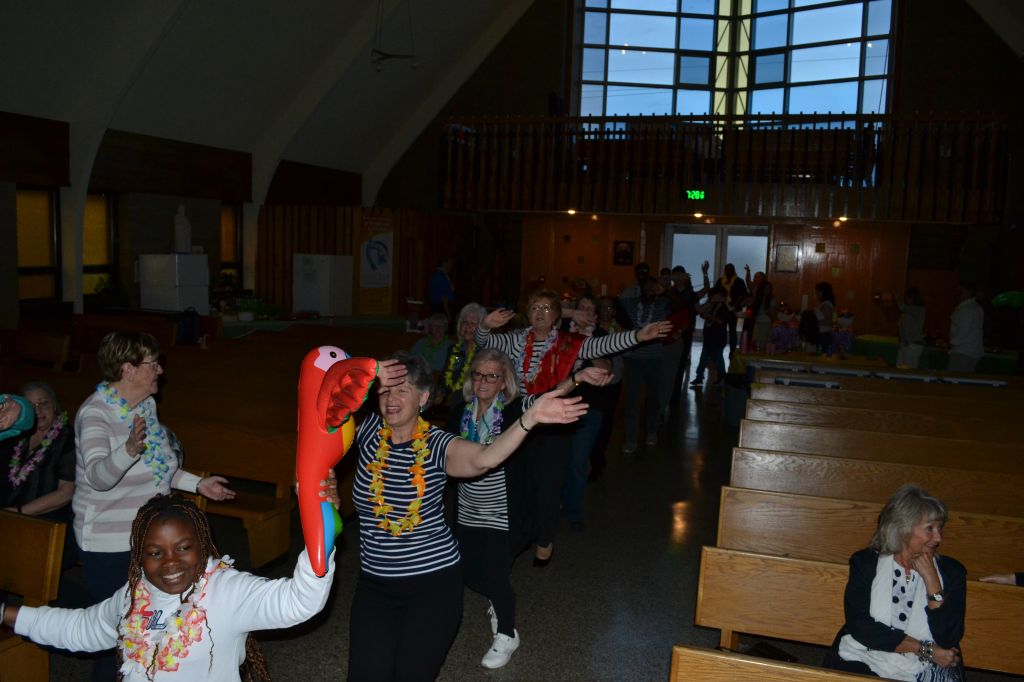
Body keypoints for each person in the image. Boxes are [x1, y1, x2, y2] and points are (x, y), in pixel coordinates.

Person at [348, 351, 589, 681]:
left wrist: (529, 419)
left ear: (424, 398)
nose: (391, 399)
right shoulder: (366, 433)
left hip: (431, 586)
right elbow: (324, 404)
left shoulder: (437, 444)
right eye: (386, 390)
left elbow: (485, 458)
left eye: (403, 390)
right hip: (374, 586)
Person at [1, 492, 337, 681]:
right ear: (139, 557)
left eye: (184, 547)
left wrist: (320, 525)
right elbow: (83, 628)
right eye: (155, 553)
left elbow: (298, 601)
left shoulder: (227, 591)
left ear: (203, 545)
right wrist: (6, 612)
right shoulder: (134, 596)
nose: (171, 563)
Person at [75, 331, 235, 680]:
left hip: (148, 539)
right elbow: (98, 477)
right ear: (128, 369)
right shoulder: (95, 413)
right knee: (118, 637)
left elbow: (161, 468)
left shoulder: (145, 406)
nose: (160, 370)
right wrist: (128, 450)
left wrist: (199, 484)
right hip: (109, 545)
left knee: (147, 630)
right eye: (153, 363)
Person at [476, 289, 671, 565]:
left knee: (548, 485)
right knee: (517, 482)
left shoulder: (569, 343)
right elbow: (484, 342)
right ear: (528, 313)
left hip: (556, 422)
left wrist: (640, 335)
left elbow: (605, 345)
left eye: (546, 308)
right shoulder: (515, 340)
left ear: (557, 316)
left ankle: (545, 539)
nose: (540, 313)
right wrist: (485, 325)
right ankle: (519, 535)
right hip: (520, 419)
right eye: (535, 307)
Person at [446, 348, 608, 668]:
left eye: (492, 376)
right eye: (478, 374)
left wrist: (576, 378)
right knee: (468, 573)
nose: (483, 381)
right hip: (467, 511)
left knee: (495, 577)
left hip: (502, 513)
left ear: (503, 381)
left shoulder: (512, 409)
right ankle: (497, 600)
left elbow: (543, 400)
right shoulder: (458, 413)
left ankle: (507, 634)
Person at [822, 484, 966, 680]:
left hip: (931, 663)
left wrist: (932, 581)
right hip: (866, 653)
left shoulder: (952, 572)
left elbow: (948, 638)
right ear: (903, 529)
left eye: (940, 528)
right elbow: (861, 626)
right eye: (930, 529)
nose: (938, 538)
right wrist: (925, 649)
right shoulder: (865, 563)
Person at [1, 382, 75, 519]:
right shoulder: (16, 436)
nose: (38, 410)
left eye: (44, 403)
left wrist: (18, 512)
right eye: (31, 406)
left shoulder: (68, 438)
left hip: (45, 523)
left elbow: (66, 492)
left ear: (54, 405)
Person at [619, 277, 672, 452]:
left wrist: (665, 291)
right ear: (640, 289)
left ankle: (651, 432)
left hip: (655, 359)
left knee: (653, 398)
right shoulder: (630, 303)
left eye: (653, 289)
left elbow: (683, 304)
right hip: (633, 359)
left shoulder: (663, 303)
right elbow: (612, 304)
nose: (650, 291)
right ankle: (631, 439)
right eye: (646, 288)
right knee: (632, 400)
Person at [434, 302, 487, 413]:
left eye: (473, 323)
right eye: (465, 322)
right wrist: (440, 393)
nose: (468, 326)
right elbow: (444, 379)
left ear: (482, 329)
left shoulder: (485, 353)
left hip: (476, 406)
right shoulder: (453, 349)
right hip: (454, 405)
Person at [691, 286, 731, 387]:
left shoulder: (724, 308)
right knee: (704, 358)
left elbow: (720, 321)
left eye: (716, 295)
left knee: (718, 359)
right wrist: (708, 309)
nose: (714, 297)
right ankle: (699, 377)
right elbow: (701, 313)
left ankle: (721, 378)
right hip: (709, 335)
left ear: (722, 297)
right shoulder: (713, 305)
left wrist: (709, 316)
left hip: (718, 337)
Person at [948, 283, 984, 373]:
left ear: (968, 293)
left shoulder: (967, 309)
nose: (957, 294)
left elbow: (963, 331)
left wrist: (951, 345)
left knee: (954, 378)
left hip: (963, 352)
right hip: (971, 351)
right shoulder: (975, 307)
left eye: (961, 291)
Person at [715, 263, 748, 354]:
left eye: (730, 270)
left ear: (734, 271)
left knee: (732, 331)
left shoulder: (739, 281)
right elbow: (715, 293)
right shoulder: (720, 281)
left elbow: (744, 295)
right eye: (727, 270)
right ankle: (719, 350)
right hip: (721, 310)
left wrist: (736, 303)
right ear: (725, 271)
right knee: (721, 331)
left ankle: (732, 352)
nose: (728, 271)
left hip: (733, 310)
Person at [895, 288, 926, 368]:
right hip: (905, 344)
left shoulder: (919, 309)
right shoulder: (909, 311)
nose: (906, 299)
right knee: (899, 369)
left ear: (913, 297)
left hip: (912, 345)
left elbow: (902, 307)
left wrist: (896, 298)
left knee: (909, 372)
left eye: (908, 297)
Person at [427, 256, 455, 321]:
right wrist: (448, 314)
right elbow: (444, 297)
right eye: (450, 263)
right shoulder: (441, 277)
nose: (451, 266)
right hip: (441, 309)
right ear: (444, 264)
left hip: (436, 308)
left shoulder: (436, 275)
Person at [814, 281, 837, 356]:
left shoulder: (827, 304)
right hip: (822, 333)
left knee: (822, 355)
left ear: (821, 292)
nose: (816, 294)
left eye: (817, 291)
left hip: (824, 334)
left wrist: (813, 322)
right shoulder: (824, 304)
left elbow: (827, 322)